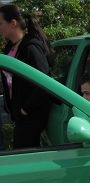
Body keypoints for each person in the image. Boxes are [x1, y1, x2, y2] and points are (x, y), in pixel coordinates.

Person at [0, 5, 53, 149]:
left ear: (13, 23)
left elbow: (44, 81)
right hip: (20, 115)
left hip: (31, 115)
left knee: (23, 157)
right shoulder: (10, 48)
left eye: (0, 23)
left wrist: (26, 108)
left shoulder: (31, 48)